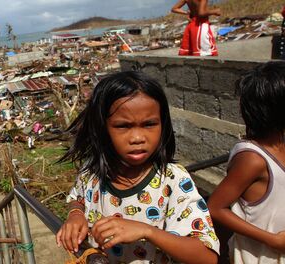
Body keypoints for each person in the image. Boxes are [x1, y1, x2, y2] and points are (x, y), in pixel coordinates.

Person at [56, 71, 219, 263]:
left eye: (149, 124)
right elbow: (78, 197)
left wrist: (147, 231)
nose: (137, 138)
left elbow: (207, 257)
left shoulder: (173, 180)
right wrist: (75, 214)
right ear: (102, 127)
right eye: (123, 126)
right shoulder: (91, 172)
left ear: (163, 125)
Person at [207, 61, 285, 264]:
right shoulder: (253, 159)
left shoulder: (280, 145)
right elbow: (216, 207)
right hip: (262, 256)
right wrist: (273, 240)